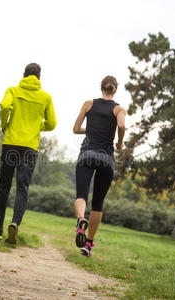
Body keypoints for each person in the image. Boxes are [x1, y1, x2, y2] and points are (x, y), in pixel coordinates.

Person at [0, 63, 57, 244]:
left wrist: (5, 124)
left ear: (24, 75)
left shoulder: (13, 90)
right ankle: (15, 223)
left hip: (11, 143)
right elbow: (52, 123)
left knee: (4, 185)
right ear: (39, 77)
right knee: (22, 187)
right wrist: (38, 126)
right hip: (29, 147)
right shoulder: (45, 97)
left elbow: (4, 107)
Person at [72, 75, 126, 256]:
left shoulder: (88, 104)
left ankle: (80, 220)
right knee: (98, 203)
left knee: (81, 195)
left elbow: (75, 129)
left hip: (87, 155)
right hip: (106, 159)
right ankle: (88, 244)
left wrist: (92, 129)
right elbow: (122, 125)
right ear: (115, 90)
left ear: (101, 88)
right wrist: (120, 142)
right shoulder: (119, 109)